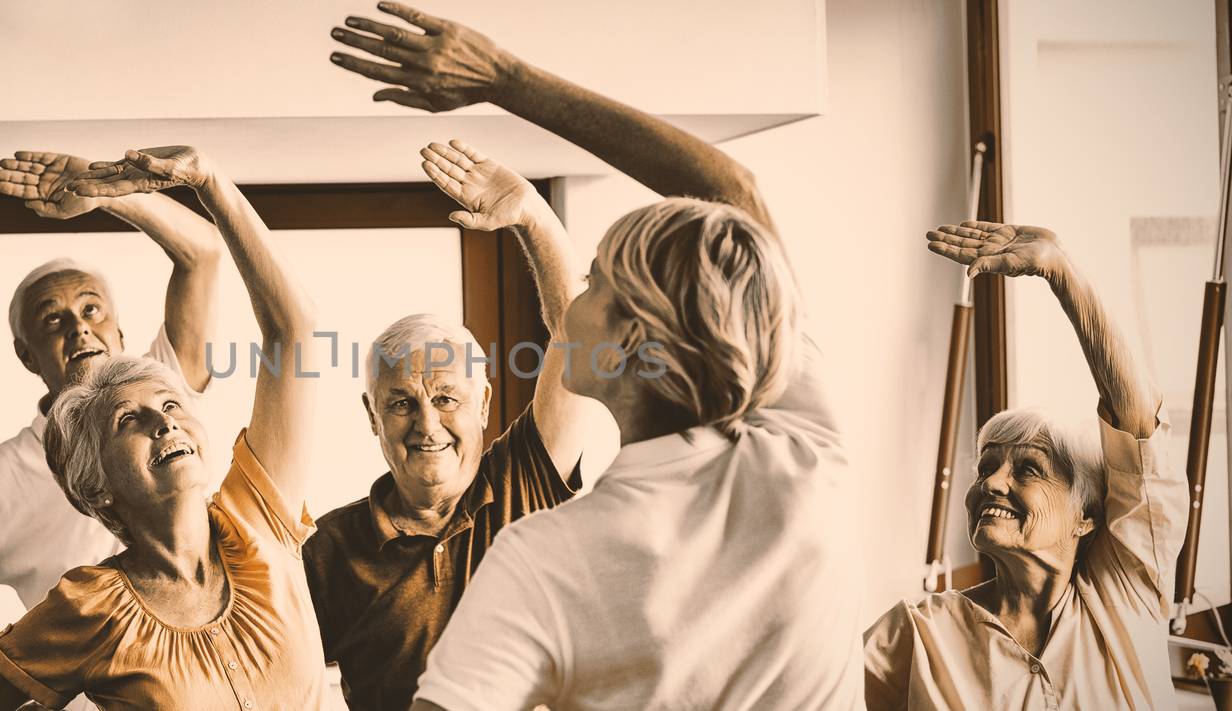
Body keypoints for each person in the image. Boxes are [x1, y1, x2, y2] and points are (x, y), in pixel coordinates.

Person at [330, 5, 864, 709]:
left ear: (630, 344)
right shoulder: (803, 454)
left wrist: (504, 86)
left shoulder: (540, 558)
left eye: (597, 282)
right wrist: (504, 78)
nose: (573, 301)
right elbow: (734, 193)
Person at [0, 145, 326, 710]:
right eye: (128, 421)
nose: (164, 423)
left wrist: (207, 181)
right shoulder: (85, 605)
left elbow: (292, 327)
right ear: (97, 488)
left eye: (171, 405)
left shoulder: (259, 521)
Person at [300, 139, 591, 711]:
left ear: (483, 403)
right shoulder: (330, 550)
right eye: (402, 402)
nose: (427, 423)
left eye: (445, 398)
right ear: (372, 416)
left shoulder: (524, 481)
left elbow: (575, 335)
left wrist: (531, 216)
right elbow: (273, 680)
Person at [863, 222, 1180, 710]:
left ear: (1086, 515)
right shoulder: (920, 634)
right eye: (984, 467)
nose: (989, 482)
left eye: (1029, 469)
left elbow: (1137, 421)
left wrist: (1061, 272)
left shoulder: (1125, 593)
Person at [0, 149, 220, 609]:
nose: (79, 328)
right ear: (26, 356)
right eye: (52, 321)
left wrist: (102, 192)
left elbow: (204, 253)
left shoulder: (165, 390)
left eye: (91, 309)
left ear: (118, 331)